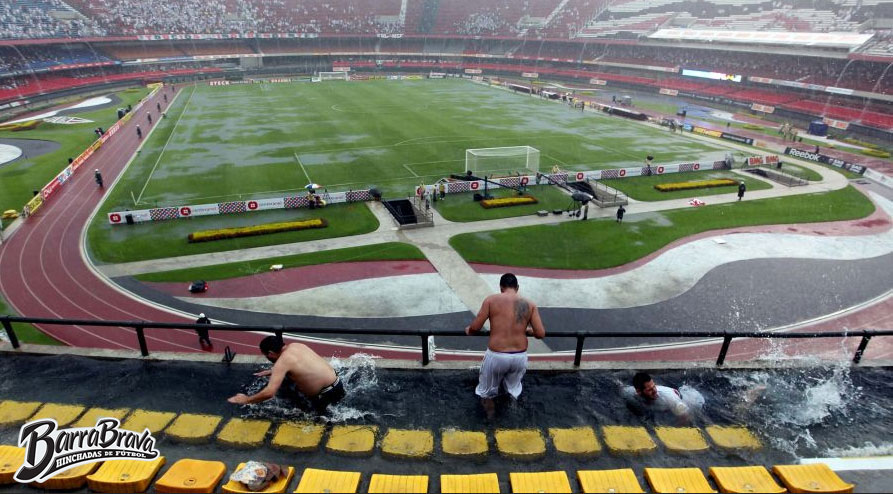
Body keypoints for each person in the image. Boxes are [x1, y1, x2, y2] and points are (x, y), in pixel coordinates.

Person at [465, 273, 545, 416]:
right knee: (513, 391)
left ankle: (490, 420)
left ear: (501, 288)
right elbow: (540, 333)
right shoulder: (530, 304)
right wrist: (526, 330)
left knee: (487, 392)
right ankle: (513, 417)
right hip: (519, 356)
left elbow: (476, 327)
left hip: (497, 355)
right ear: (517, 287)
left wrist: (469, 330)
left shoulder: (491, 300)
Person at [227, 336, 345, 414]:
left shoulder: (282, 363)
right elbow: (303, 364)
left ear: (271, 353)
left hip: (324, 398)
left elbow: (269, 393)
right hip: (338, 385)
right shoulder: (296, 345)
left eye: (266, 356)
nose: (267, 358)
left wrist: (247, 399)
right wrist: (274, 371)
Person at [622, 372, 704, 423]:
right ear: (639, 391)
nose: (654, 391)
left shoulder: (669, 398)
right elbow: (620, 388)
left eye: (654, 386)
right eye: (650, 389)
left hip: (693, 400)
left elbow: (686, 417)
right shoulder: (629, 392)